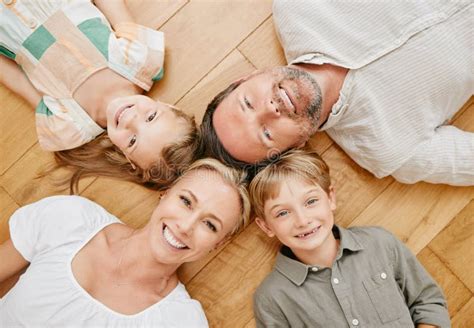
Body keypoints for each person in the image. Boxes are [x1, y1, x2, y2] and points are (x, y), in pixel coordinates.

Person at [200, 0, 473, 186]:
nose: (269, 109)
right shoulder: (388, 151)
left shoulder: (298, 7)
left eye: (248, 103)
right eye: (266, 133)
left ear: (245, 78)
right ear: (292, 148)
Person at [0, 158, 251, 327]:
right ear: (166, 193)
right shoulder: (70, 218)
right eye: (186, 201)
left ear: (217, 244)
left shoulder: (179, 320)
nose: (186, 226)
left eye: (210, 225)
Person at [0, 0, 200, 191]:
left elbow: (19, 81)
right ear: (170, 107)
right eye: (151, 117)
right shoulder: (140, 62)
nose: (130, 119)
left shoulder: (72, 125)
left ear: (127, 158)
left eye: (132, 141)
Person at [249, 149, 451, 328]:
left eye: (311, 201)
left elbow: (428, 301)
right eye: (283, 213)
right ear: (266, 225)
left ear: (330, 198)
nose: (302, 220)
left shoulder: (379, 243)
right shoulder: (272, 299)